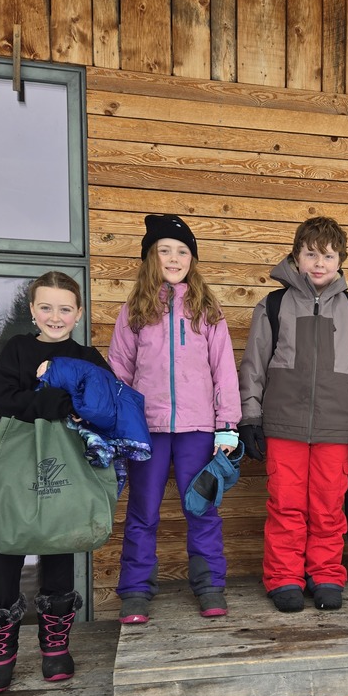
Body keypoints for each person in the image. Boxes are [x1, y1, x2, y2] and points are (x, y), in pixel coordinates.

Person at [238, 215, 348, 613]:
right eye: (310, 254)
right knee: (286, 505)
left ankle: (325, 573)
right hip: (284, 426)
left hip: (336, 428)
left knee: (327, 507)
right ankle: (284, 577)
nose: (318, 263)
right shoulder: (273, 305)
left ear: (340, 259)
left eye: (327, 255)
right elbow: (253, 365)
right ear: (297, 256)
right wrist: (249, 416)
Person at [0, 270, 112, 694]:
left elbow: (104, 400)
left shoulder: (87, 355)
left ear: (79, 313)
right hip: (19, 458)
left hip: (67, 460)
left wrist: (71, 397)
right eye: (46, 307)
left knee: (60, 538)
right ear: (33, 310)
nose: (56, 316)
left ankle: (55, 648)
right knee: (9, 541)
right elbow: (3, 400)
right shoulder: (17, 350)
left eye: (65, 308)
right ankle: (0, 652)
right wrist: (50, 399)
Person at [109, 214, 241, 622]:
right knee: (143, 511)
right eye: (165, 249)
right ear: (151, 256)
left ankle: (209, 585)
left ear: (192, 259)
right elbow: (120, 372)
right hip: (146, 429)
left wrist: (228, 425)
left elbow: (224, 369)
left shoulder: (206, 308)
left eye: (182, 251)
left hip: (198, 429)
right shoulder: (134, 309)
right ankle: (135, 590)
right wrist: (119, 425)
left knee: (201, 508)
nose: (174, 257)